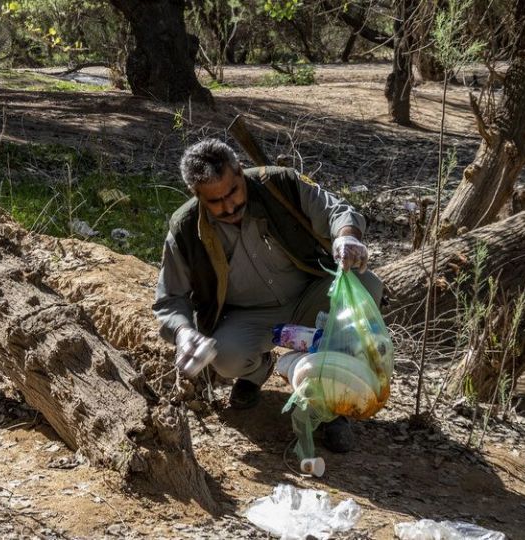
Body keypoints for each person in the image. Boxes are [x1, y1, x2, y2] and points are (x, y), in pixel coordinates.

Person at [152, 138, 383, 453]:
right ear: (197, 195)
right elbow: (170, 299)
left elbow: (337, 210)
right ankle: (258, 370)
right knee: (226, 357)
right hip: (249, 317)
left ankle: (332, 406)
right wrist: (182, 332)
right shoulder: (185, 229)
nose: (230, 207)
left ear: (240, 172)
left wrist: (347, 238)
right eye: (216, 202)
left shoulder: (280, 184)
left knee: (367, 286)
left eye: (233, 191)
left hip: (310, 295)